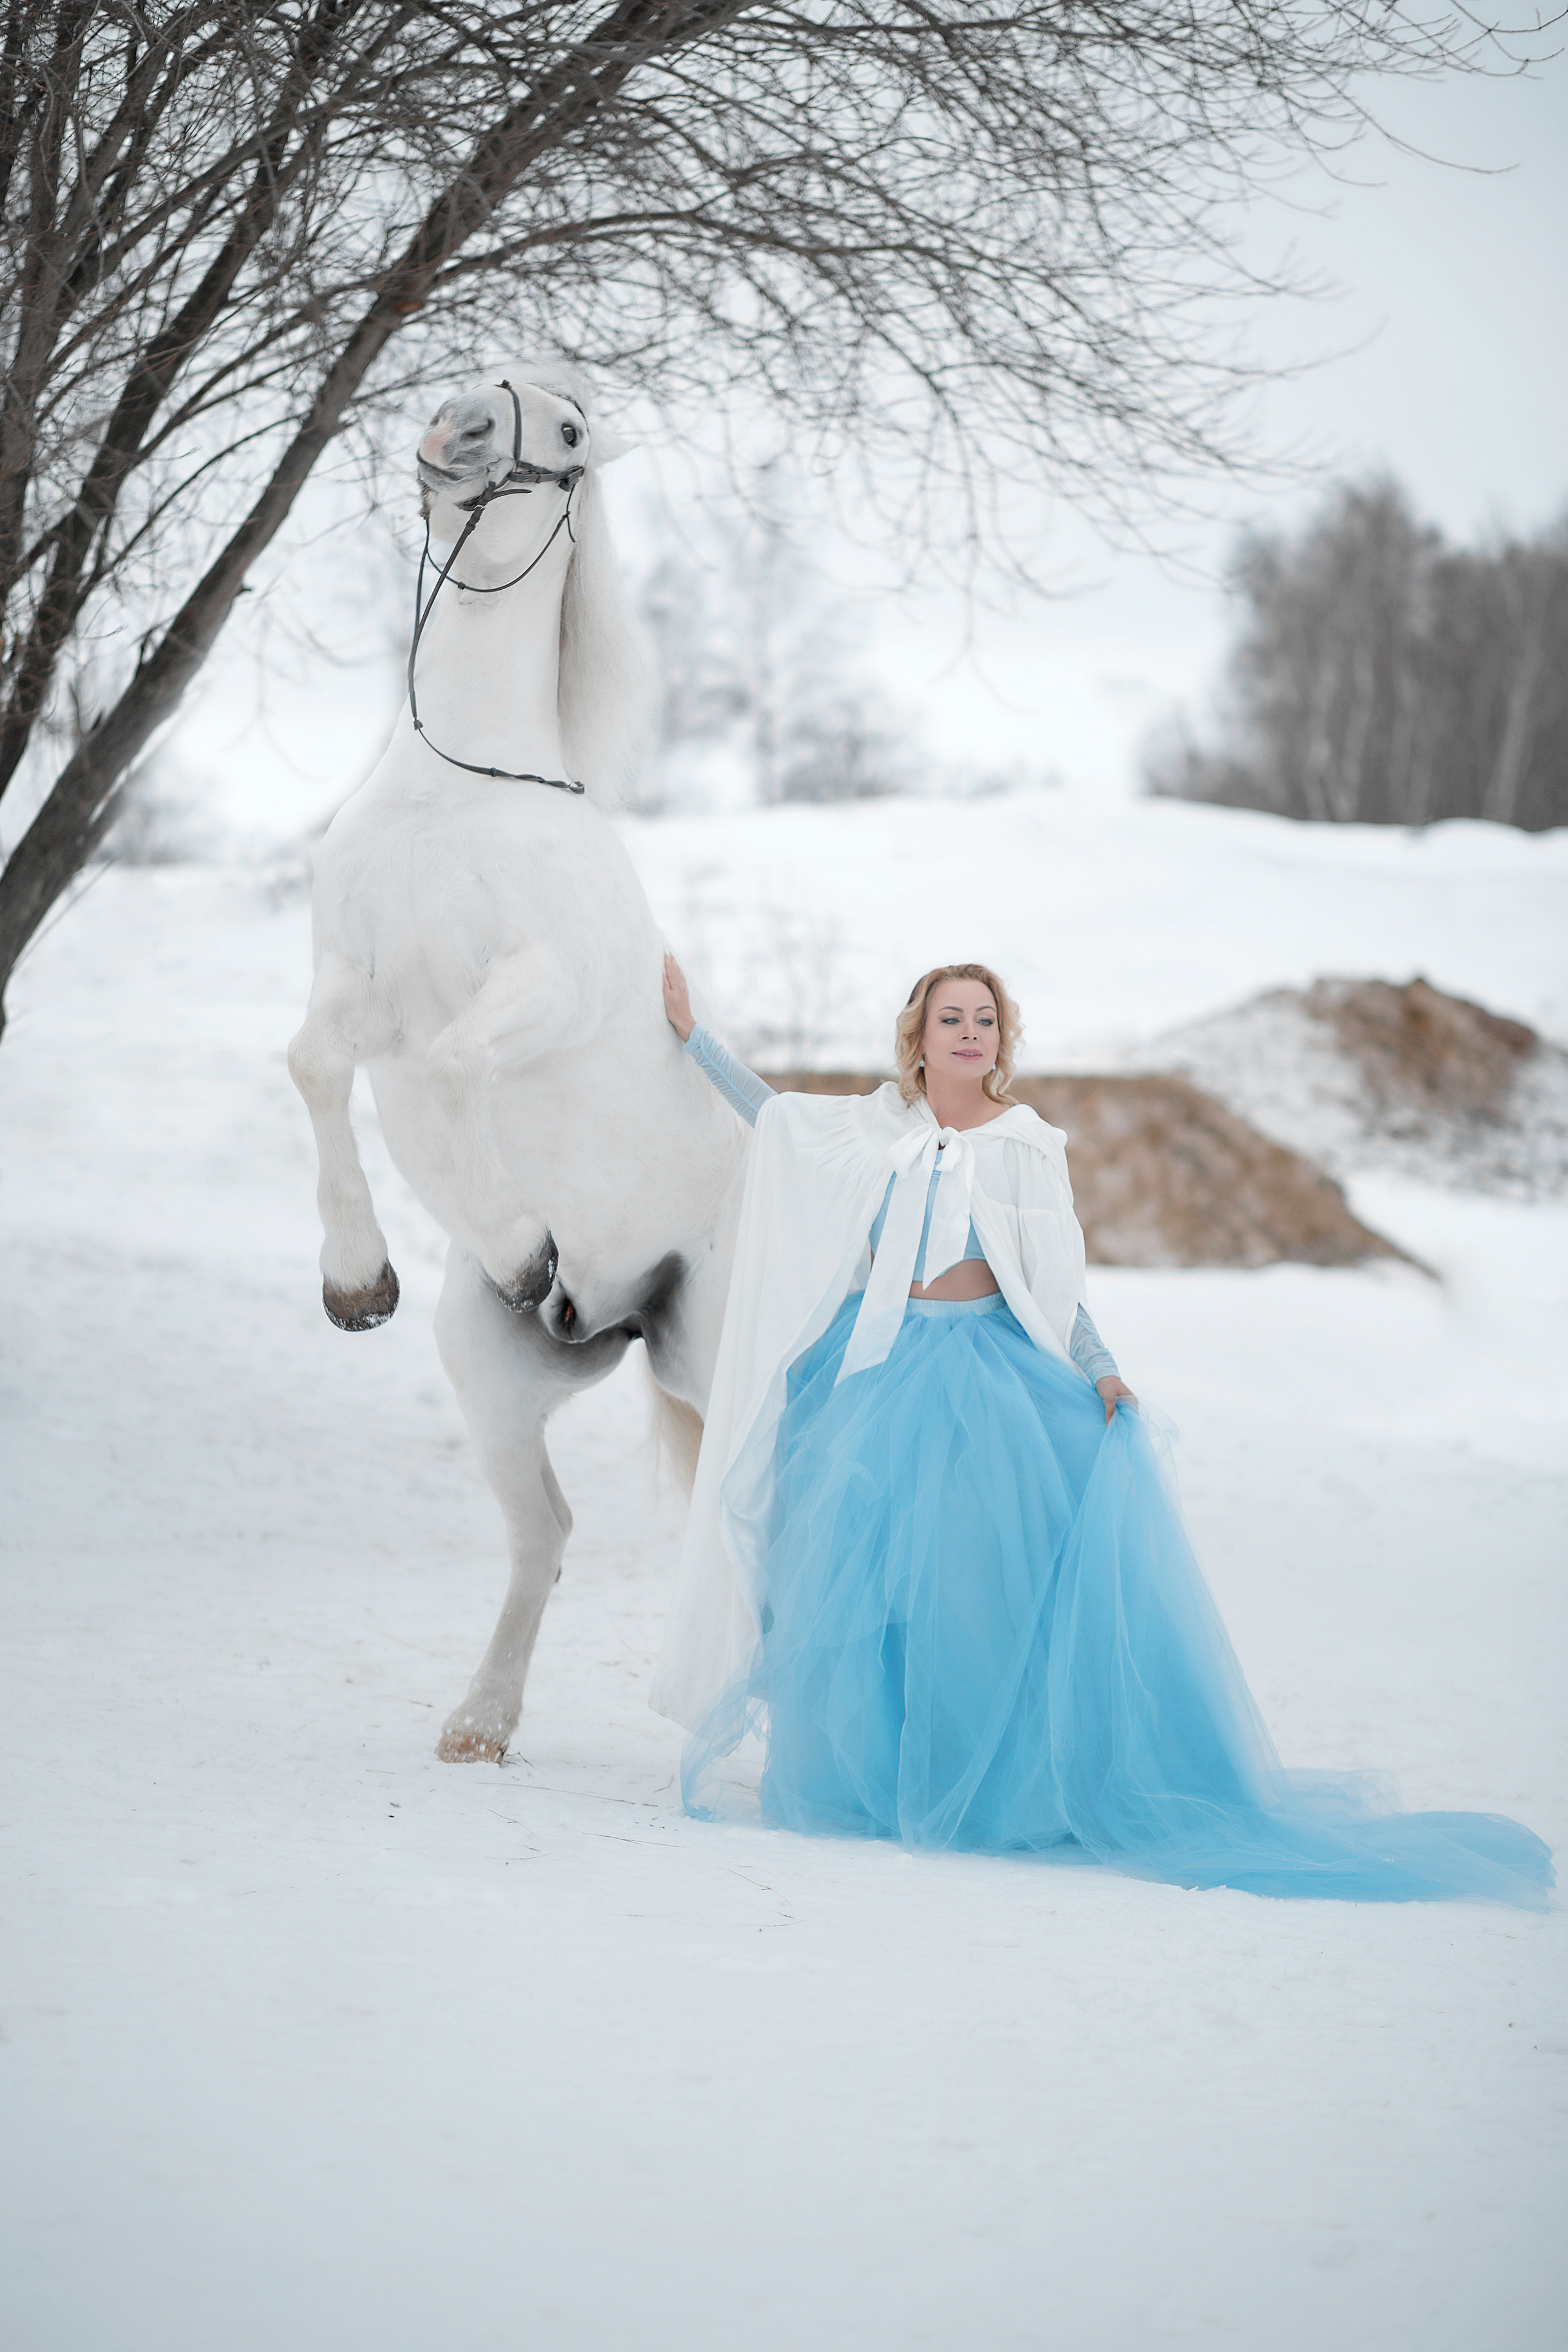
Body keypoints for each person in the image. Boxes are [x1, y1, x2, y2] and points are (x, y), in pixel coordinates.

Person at [651, 956, 1553, 1907]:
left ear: (1002, 1041)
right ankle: (880, 1778)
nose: (968, 1033)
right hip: (878, 1372)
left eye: (985, 1021)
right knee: (872, 1589)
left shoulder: (1028, 1145)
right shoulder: (878, 1128)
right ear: (917, 1036)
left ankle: (993, 1782)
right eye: (950, 1018)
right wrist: (692, 1038)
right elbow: (777, 1120)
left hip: (983, 1378)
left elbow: (1057, 1282)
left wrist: (1101, 1369)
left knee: (973, 1588)